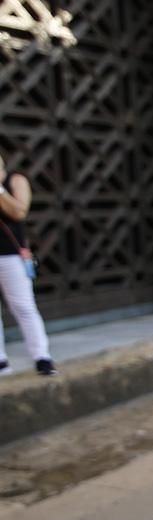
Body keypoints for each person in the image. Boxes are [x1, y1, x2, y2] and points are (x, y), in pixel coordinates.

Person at [0, 155, 55, 376]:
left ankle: (42, 356)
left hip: (11, 255)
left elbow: (19, 211)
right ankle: (1, 361)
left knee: (23, 306)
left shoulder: (15, 180)